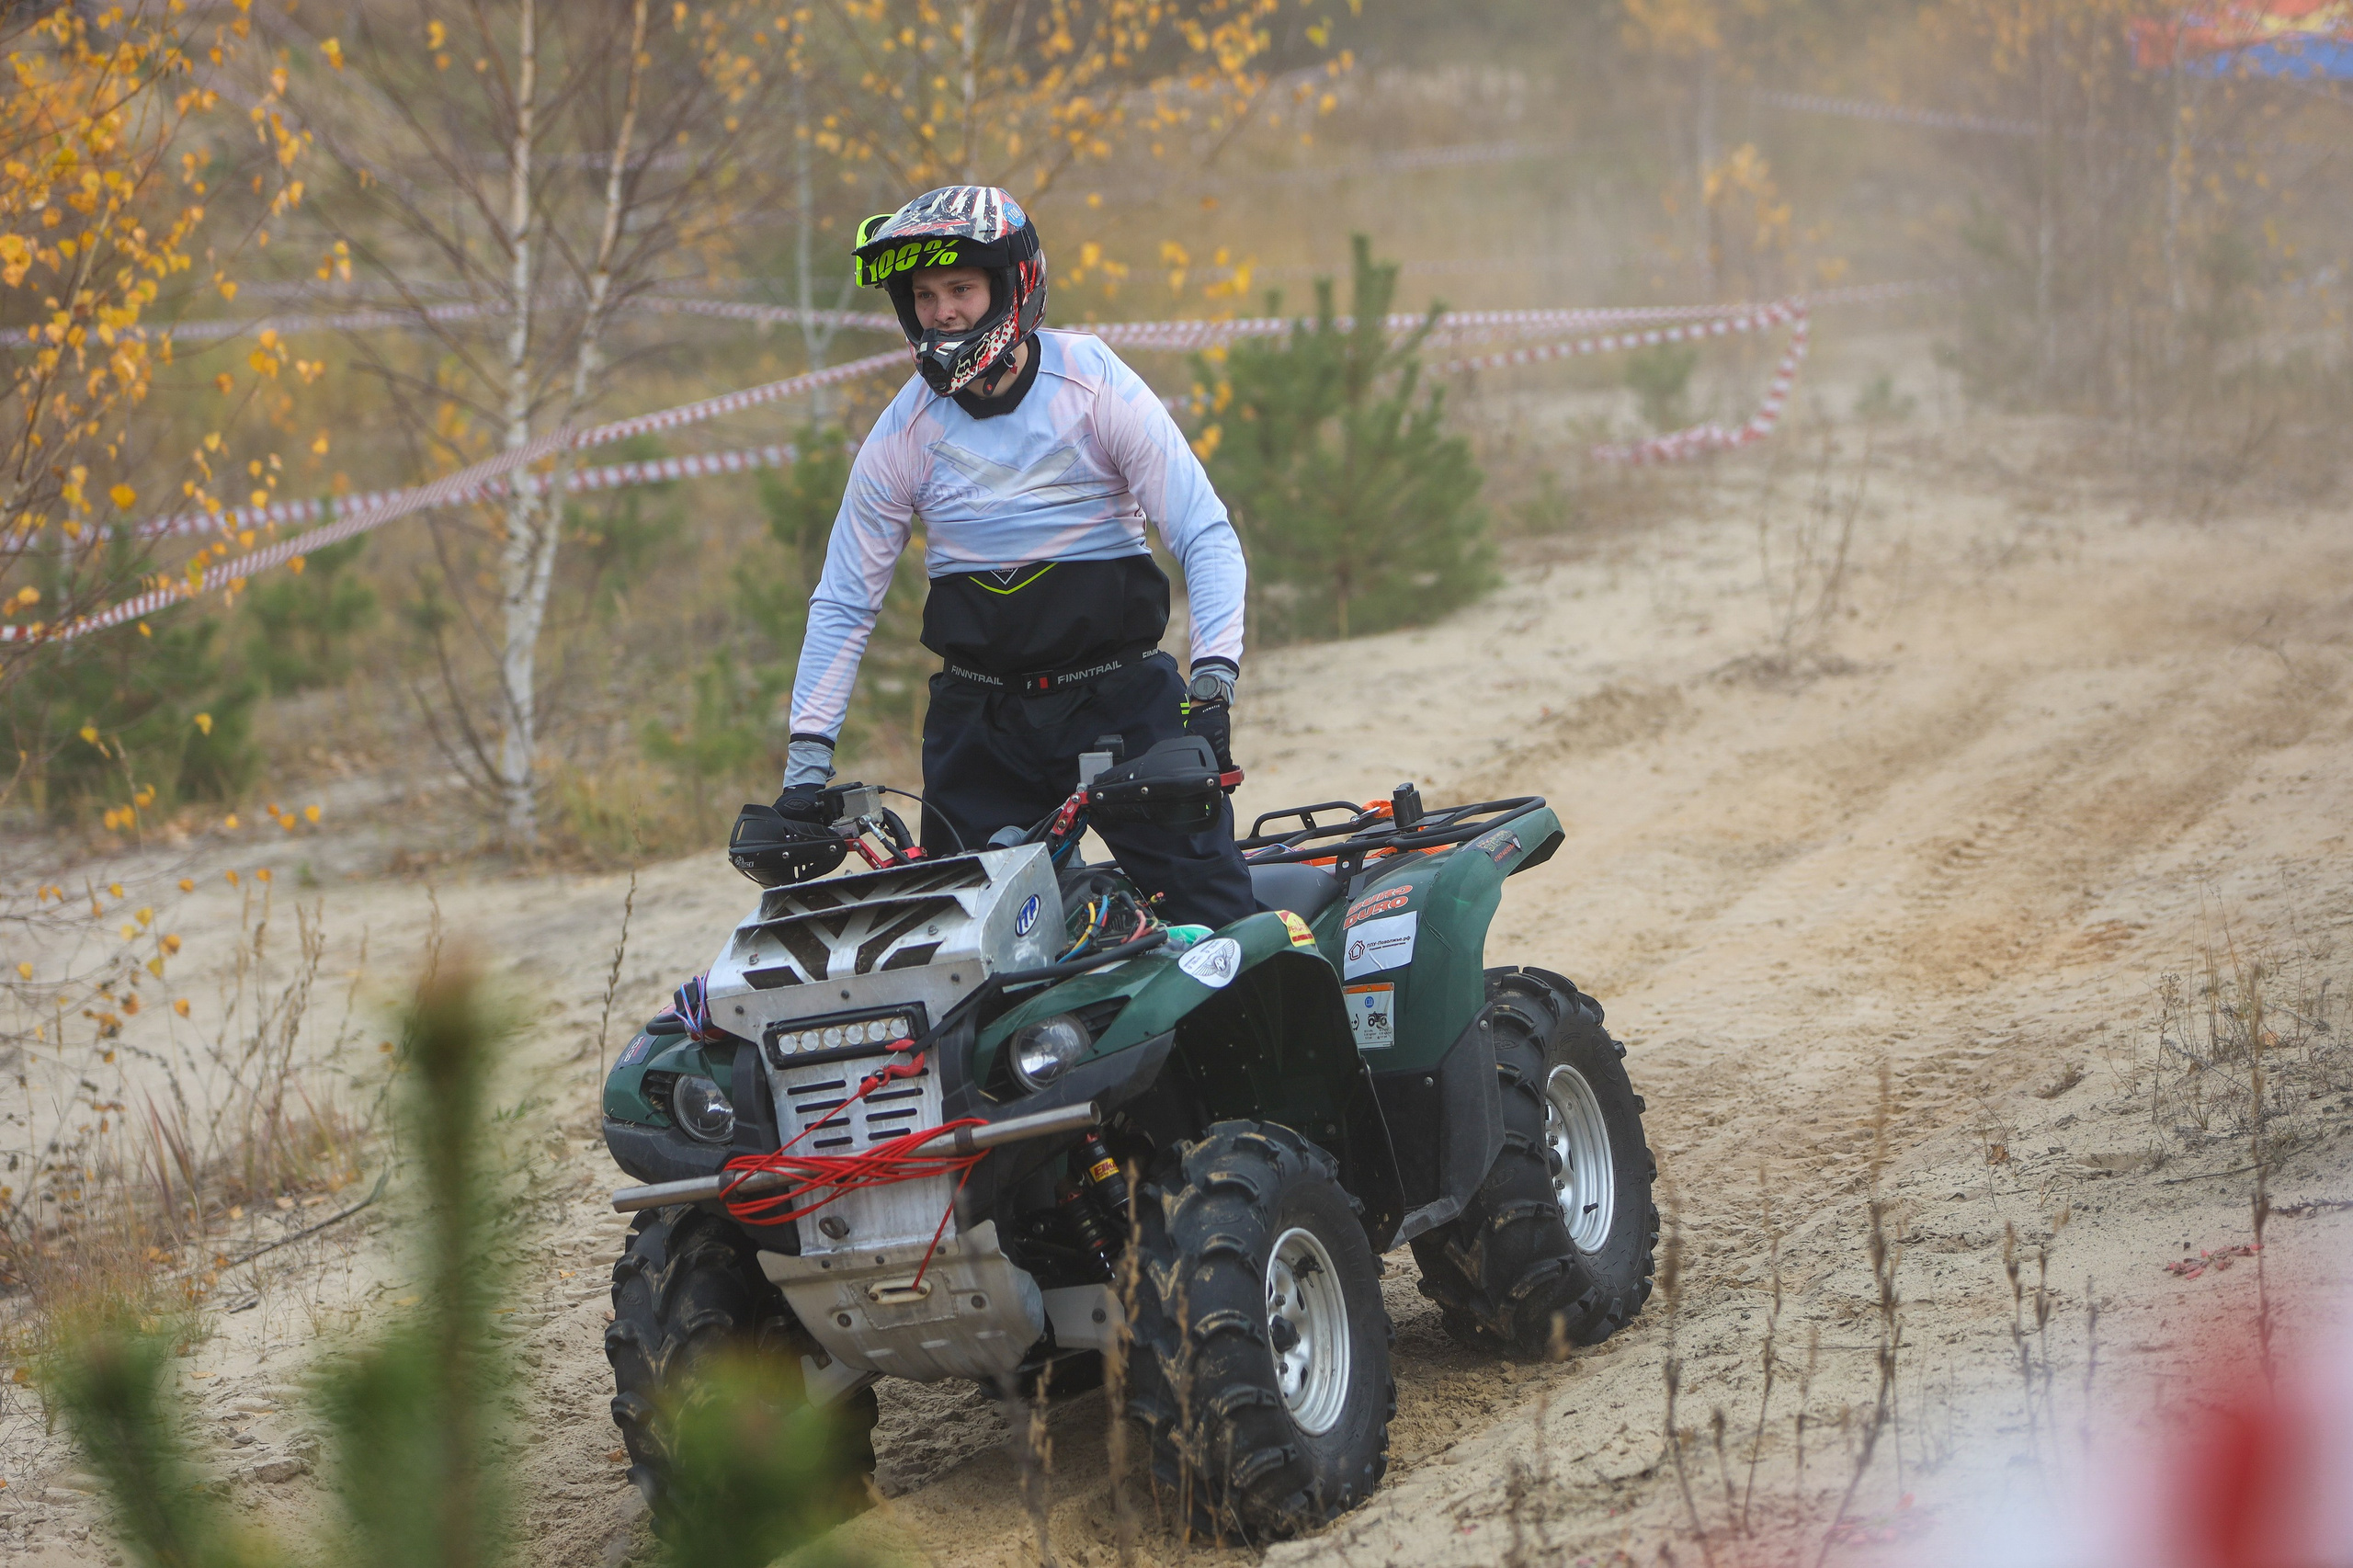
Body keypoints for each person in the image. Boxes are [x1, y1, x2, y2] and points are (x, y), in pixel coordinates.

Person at [774, 184, 1255, 929]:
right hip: (981, 721)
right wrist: (806, 767)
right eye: (924, 295)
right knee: (967, 952)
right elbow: (844, 601)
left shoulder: (1091, 380)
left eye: (960, 289)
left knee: (1216, 923)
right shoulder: (903, 430)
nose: (941, 312)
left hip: (1121, 700)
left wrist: (1214, 682)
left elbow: (1203, 532)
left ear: (1012, 285)